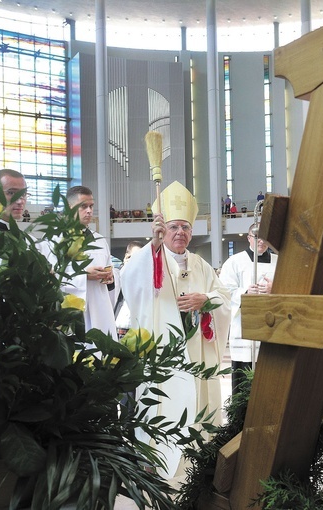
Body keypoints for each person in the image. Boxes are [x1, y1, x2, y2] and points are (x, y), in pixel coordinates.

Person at [120, 180, 230, 478]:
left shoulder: (201, 264)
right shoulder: (151, 258)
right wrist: (152, 244)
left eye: (186, 227)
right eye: (174, 227)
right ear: (163, 231)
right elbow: (129, 280)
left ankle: (199, 449)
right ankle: (155, 456)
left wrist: (205, 299)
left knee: (197, 400)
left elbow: (224, 296)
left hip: (196, 353)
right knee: (163, 400)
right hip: (162, 350)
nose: (180, 232)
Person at [219, 225, 277, 395]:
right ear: (249, 237)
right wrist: (245, 293)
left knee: (270, 378)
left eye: (265, 236)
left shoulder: (278, 261)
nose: (261, 241)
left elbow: (290, 289)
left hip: (271, 329)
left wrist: (274, 289)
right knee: (244, 380)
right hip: (245, 330)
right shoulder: (235, 261)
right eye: (257, 236)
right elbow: (225, 291)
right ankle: (241, 419)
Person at [59, 186, 117, 341]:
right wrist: (83, 275)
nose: (89, 211)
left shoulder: (100, 240)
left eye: (91, 206)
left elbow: (110, 273)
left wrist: (110, 277)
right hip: (72, 312)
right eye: (83, 206)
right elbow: (51, 278)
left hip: (100, 310)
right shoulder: (55, 239)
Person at [115, 241, 143, 338]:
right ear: (126, 257)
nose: (135, 261)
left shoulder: (146, 280)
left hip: (138, 333)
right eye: (132, 257)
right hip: (117, 332)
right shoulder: (116, 276)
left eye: (139, 258)